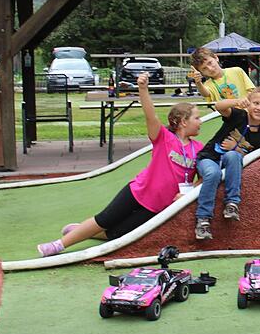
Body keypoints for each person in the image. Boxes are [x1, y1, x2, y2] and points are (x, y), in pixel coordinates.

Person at [37, 73, 203, 257]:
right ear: (182, 122)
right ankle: (57, 245)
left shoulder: (199, 148)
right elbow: (150, 115)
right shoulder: (164, 138)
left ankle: (81, 230)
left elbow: (203, 177)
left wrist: (188, 194)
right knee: (105, 219)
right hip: (139, 191)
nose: (200, 122)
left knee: (117, 234)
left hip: (158, 206)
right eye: (197, 118)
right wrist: (143, 89)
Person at [194, 87, 260, 240]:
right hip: (209, 158)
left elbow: (253, 163)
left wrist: (237, 149)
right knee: (214, 173)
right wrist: (237, 101)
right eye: (255, 103)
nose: (259, 108)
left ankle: (232, 203)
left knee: (233, 155)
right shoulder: (238, 116)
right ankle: (203, 219)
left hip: (230, 163)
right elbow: (219, 106)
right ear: (249, 104)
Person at [189, 47, 255, 102]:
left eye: (210, 63)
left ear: (216, 58)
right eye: (204, 68)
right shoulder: (208, 84)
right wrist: (198, 82)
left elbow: (251, 90)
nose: (210, 69)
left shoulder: (237, 71)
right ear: (201, 72)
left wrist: (245, 101)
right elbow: (206, 94)